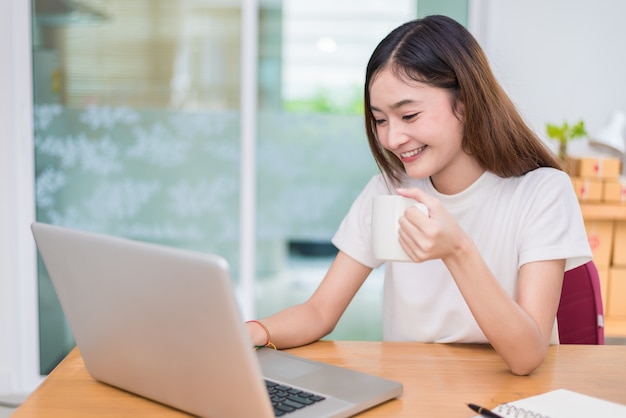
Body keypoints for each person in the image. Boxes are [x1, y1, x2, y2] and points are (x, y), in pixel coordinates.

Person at [246, 15, 591, 376]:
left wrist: (457, 250)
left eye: (408, 115)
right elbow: (319, 312)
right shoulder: (387, 191)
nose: (392, 139)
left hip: (504, 398)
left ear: (466, 103)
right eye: (380, 120)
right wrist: (250, 332)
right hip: (409, 393)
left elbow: (527, 355)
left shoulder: (541, 192)